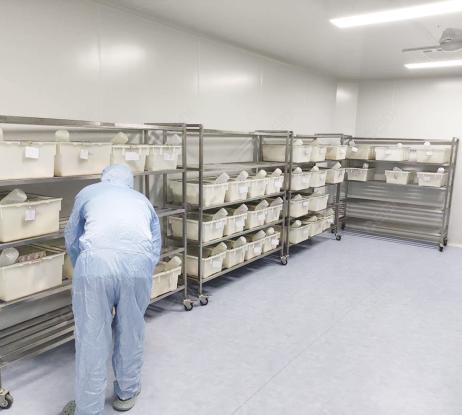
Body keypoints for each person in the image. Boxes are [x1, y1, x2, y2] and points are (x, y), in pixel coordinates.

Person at [62, 164, 161, 415]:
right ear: (130, 182)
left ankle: (88, 408)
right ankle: (127, 392)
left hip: (95, 266)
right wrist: (141, 270)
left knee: (91, 337)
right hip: (138, 267)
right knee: (131, 330)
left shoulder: (88, 193)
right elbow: (154, 246)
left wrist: (82, 266)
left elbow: (72, 235)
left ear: (103, 178)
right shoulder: (143, 201)